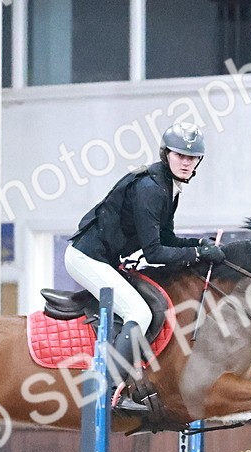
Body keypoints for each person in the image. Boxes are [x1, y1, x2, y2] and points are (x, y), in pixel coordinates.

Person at [67, 122, 226, 410]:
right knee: (138, 312)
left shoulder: (168, 187)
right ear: (167, 154)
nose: (186, 162)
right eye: (180, 155)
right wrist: (198, 255)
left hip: (104, 258)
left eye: (191, 158)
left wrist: (199, 244)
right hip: (86, 258)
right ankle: (110, 388)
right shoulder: (151, 188)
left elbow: (166, 239)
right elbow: (153, 252)